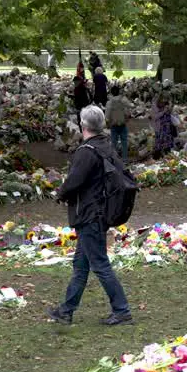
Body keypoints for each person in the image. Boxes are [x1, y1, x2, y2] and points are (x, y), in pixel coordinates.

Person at [46, 105, 132, 326]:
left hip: (89, 214)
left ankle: (122, 311)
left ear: (83, 125)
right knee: (81, 265)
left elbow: (74, 181)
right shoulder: (104, 145)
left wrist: (60, 194)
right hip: (99, 211)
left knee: (100, 265)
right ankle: (66, 310)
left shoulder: (86, 151)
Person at [104, 84, 131, 161]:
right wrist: (127, 117)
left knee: (114, 143)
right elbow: (128, 109)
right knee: (124, 142)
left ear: (111, 93)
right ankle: (125, 159)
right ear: (119, 92)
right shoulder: (123, 100)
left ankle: (114, 159)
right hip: (122, 123)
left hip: (114, 124)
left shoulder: (109, 102)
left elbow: (107, 115)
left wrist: (107, 122)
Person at [152, 94, 177, 159]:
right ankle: (156, 157)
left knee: (168, 143)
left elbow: (170, 113)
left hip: (168, 127)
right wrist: (163, 111)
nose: (163, 103)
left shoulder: (166, 105)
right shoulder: (155, 106)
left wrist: (170, 107)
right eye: (162, 102)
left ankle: (167, 157)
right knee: (159, 144)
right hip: (160, 128)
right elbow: (155, 117)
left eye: (165, 101)